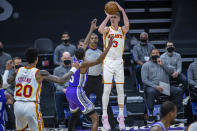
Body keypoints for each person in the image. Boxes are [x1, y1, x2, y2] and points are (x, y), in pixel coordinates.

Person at [7, 48, 79, 131]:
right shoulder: (40, 73)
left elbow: (8, 81)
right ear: (36, 59)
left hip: (17, 105)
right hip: (31, 105)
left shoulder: (18, 71)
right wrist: (73, 69)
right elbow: (61, 80)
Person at [66, 36, 114, 131]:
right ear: (84, 54)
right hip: (82, 86)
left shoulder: (75, 59)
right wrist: (108, 47)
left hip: (88, 83)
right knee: (92, 117)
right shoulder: (84, 62)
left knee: (105, 103)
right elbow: (98, 60)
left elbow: (84, 44)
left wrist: (91, 29)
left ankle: (113, 127)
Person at [98, 2, 129, 130]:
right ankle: (104, 116)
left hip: (119, 62)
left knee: (121, 90)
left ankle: (121, 116)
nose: (113, 19)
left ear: (118, 18)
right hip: (108, 61)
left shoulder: (122, 30)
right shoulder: (106, 30)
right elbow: (99, 29)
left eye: (114, 17)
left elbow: (127, 24)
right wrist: (107, 16)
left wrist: (122, 10)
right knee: (107, 89)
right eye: (111, 17)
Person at [141, 49, 183, 121]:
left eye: (157, 53)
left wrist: (163, 65)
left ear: (159, 54)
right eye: (153, 53)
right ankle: (151, 114)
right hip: (152, 87)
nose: (155, 54)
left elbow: (172, 71)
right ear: (150, 55)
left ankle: (176, 114)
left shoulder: (164, 62)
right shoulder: (146, 65)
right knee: (150, 92)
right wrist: (156, 86)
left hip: (164, 87)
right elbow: (144, 80)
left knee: (178, 91)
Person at [53, 51, 72, 127]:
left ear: (70, 58)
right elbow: (55, 83)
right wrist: (63, 89)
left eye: (68, 58)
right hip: (62, 91)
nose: (66, 59)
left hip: (72, 91)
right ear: (61, 59)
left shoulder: (74, 69)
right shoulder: (57, 70)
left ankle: (77, 119)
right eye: (65, 58)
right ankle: (61, 120)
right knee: (58, 95)